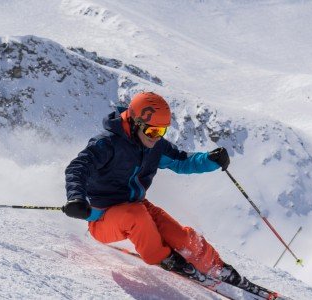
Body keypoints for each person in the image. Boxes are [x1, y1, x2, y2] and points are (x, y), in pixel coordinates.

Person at [62, 92, 255, 289]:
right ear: (135, 122)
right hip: (102, 217)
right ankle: (167, 259)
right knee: (135, 215)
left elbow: (182, 161)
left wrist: (210, 160)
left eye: (162, 131)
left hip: (138, 205)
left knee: (180, 236)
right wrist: (76, 198)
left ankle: (217, 267)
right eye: (153, 131)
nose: (157, 137)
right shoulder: (107, 144)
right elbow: (78, 167)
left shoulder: (154, 146)